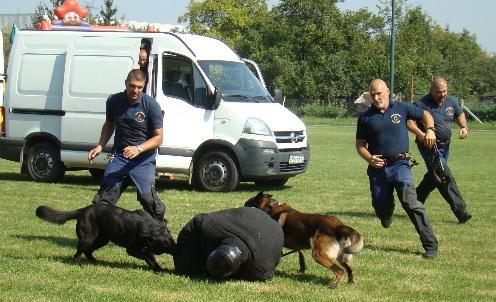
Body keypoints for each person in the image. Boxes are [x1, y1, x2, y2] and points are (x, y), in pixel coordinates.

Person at [355, 79, 439, 259]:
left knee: (411, 202)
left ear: (387, 91)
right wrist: (369, 158)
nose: (377, 97)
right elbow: (360, 145)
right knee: (381, 207)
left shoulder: (401, 108)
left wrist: (430, 130)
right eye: (373, 94)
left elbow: (425, 115)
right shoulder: (365, 118)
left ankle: (430, 244)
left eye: (379, 93)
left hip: (401, 164)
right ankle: (386, 213)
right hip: (378, 169)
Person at [88, 69, 166, 222]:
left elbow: (159, 138)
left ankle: (160, 230)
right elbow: (109, 124)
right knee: (105, 197)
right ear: (125, 83)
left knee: (148, 199)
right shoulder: (113, 101)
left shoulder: (151, 105)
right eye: (132, 86)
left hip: (143, 159)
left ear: (144, 86)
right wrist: (100, 146)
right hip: (118, 157)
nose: (136, 90)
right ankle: (98, 232)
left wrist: (138, 149)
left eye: (139, 87)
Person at [407, 77, 472, 223]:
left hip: (446, 146)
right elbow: (410, 122)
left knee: (434, 176)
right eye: (439, 92)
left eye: (445, 91)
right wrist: (421, 134)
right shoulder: (421, 104)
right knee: (443, 174)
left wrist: (464, 127)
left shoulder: (451, 101)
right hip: (429, 146)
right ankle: (460, 211)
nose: (443, 94)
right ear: (431, 90)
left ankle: (414, 202)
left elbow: (459, 114)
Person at [173, 206, 284, 281]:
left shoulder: (259, 269)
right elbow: (193, 228)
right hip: (257, 219)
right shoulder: (209, 226)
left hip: (262, 222)